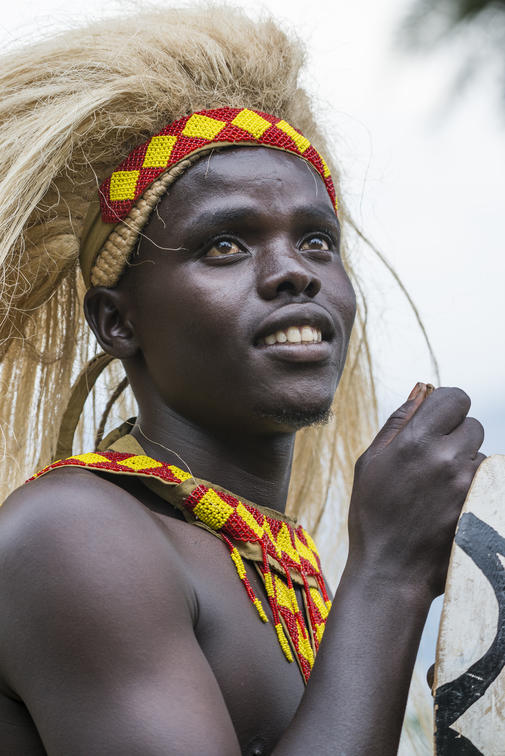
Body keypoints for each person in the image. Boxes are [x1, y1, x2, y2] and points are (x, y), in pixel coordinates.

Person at [0, 7, 485, 755]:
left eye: (316, 240)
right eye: (225, 245)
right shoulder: (77, 534)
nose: (294, 272)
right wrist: (391, 570)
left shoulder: (277, 571)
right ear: (117, 321)